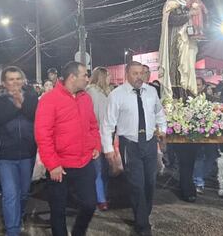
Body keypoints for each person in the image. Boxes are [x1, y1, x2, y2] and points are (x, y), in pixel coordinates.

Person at [36, 62, 100, 236]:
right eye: (85, 75)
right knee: (58, 210)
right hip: (60, 166)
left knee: (89, 203)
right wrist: (52, 164)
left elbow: (93, 125)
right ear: (72, 77)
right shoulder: (50, 99)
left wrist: (95, 144)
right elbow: (43, 135)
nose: (87, 78)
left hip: (84, 161)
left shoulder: (85, 98)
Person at [103, 62, 166, 236]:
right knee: (137, 184)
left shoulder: (151, 91)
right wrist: (108, 148)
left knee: (150, 183)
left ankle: (144, 214)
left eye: (141, 73)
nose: (139, 77)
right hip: (130, 144)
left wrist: (163, 130)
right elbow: (108, 124)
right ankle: (143, 225)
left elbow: (159, 113)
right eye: (135, 73)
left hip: (149, 142)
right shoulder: (117, 95)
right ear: (127, 74)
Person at [0, 66, 38, 236]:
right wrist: (16, 105)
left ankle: (20, 214)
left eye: (18, 78)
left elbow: (34, 116)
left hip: (27, 153)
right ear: (4, 83)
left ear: (23, 80)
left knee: (24, 192)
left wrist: (21, 103)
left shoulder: (32, 97)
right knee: (10, 193)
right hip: (5, 155)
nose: (15, 82)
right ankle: (12, 230)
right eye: (11, 79)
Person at [158, 0, 198, 99]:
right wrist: (188, 15)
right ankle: (176, 96)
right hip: (175, 40)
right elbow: (171, 20)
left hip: (189, 41)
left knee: (188, 67)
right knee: (176, 66)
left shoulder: (191, 3)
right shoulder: (171, 3)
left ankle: (188, 94)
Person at [86, 67, 112, 211]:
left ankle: (102, 196)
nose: (110, 78)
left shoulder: (104, 92)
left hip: (104, 135)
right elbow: (96, 118)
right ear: (102, 77)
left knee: (103, 169)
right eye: (108, 76)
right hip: (96, 136)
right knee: (98, 169)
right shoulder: (94, 93)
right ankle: (100, 199)